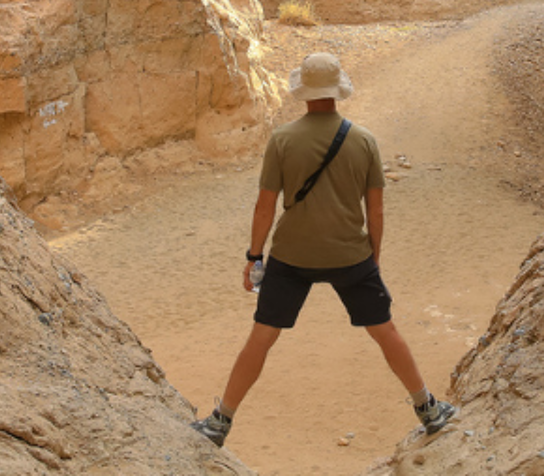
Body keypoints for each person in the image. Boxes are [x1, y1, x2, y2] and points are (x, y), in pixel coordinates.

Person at [189, 52, 457, 448]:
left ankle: (221, 420)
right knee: (385, 331)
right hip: (351, 255)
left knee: (261, 336)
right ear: (337, 91)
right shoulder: (364, 140)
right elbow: (376, 209)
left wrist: (254, 256)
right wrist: (373, 258)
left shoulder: (282, 139)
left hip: (291, 256)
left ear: (304, 93)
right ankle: (428, 409)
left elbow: (265, 206)